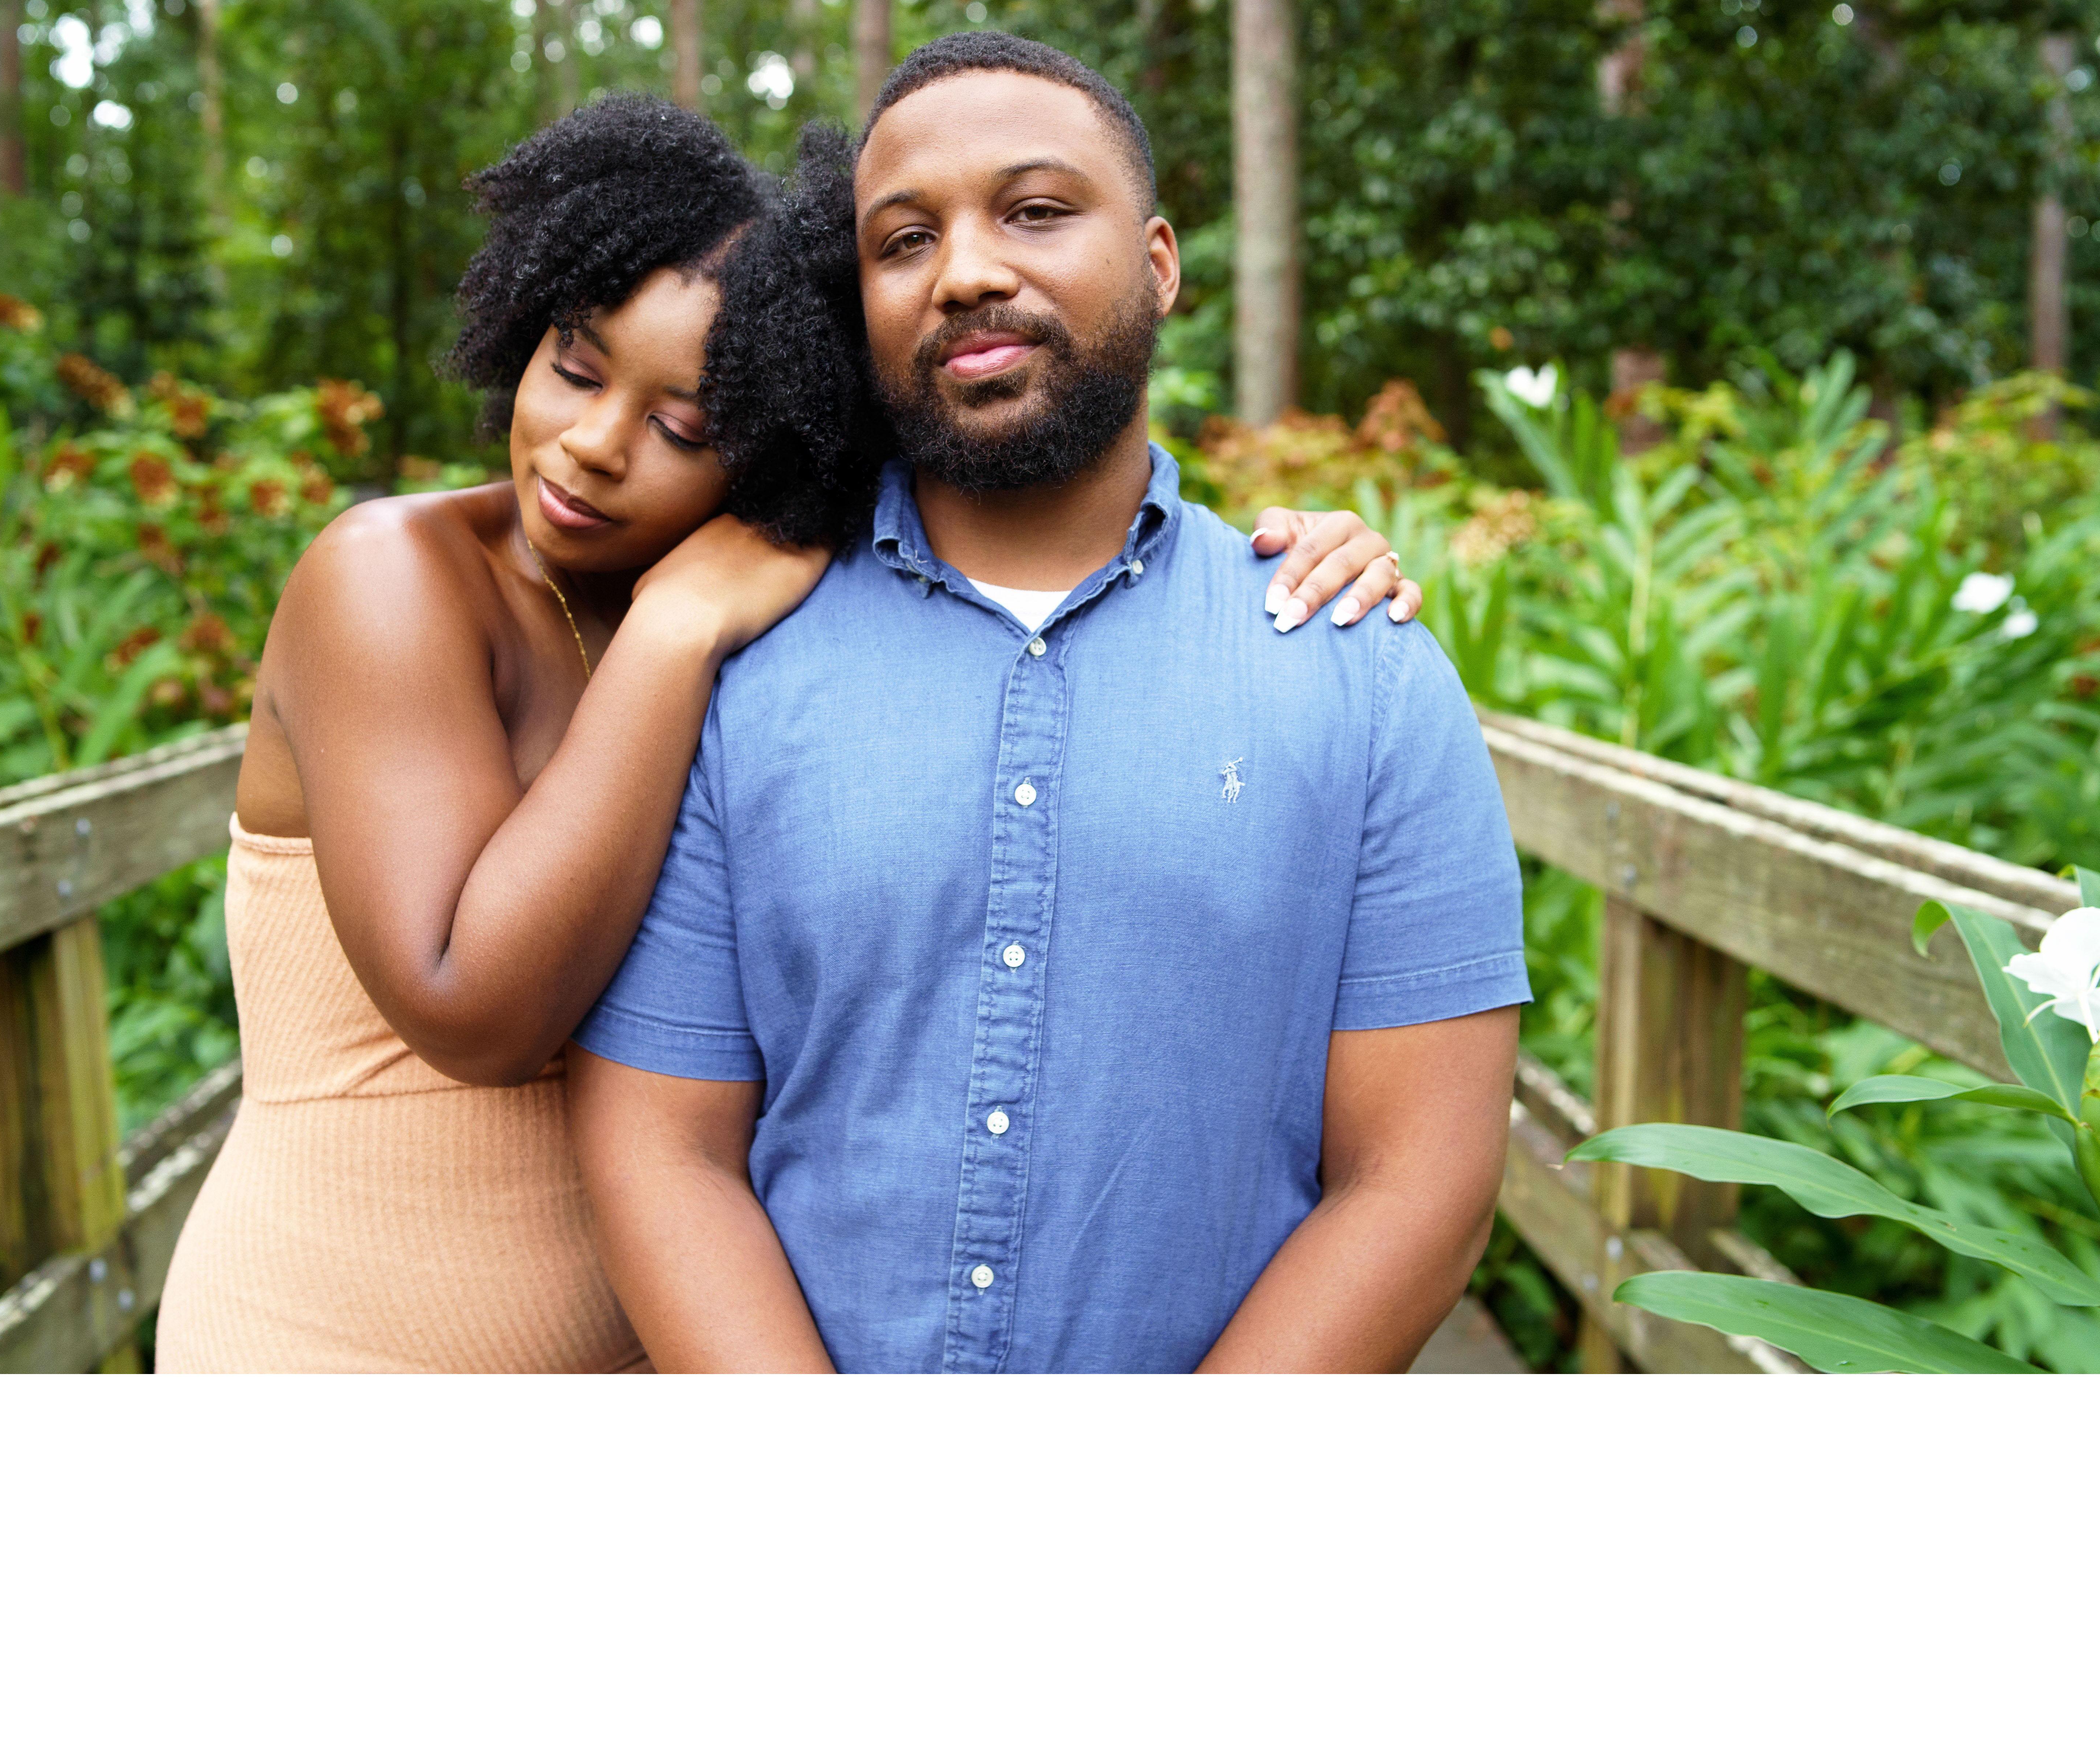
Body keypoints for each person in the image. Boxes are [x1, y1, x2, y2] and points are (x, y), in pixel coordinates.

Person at [154, 92, 1422, 1374]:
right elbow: (469, 1008)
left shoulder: (762, 617)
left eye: (682, 429)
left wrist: (1297, 556)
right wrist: (672, 633)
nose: (592, 448)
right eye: (576, 368)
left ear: (773, 449)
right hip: (328, 1348)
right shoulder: (395, 579)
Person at [568, 35, 1529, 1374]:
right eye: (905, 241)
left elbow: (1419, 1177)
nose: (964, 271)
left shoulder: (1360, 671)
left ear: (1159, 263)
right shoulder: (733, 669)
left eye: (1034, 211)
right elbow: (659, 1146)